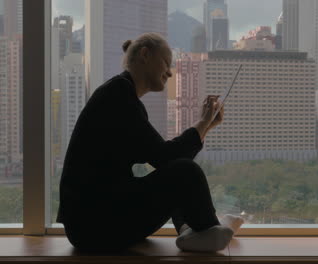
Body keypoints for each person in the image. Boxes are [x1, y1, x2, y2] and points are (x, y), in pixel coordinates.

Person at [56, 32, 244, 252]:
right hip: (95, 227)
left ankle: (189, 229)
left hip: (91, 223)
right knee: (185, 171)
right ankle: (210, 230)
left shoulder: (120, 93)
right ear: (145, 55)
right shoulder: (119, 94)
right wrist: (203, 123)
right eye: (166, 63)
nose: (170, 73)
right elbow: (164, 157)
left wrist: (206, 125)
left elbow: (159, 161)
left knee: (175, 171)